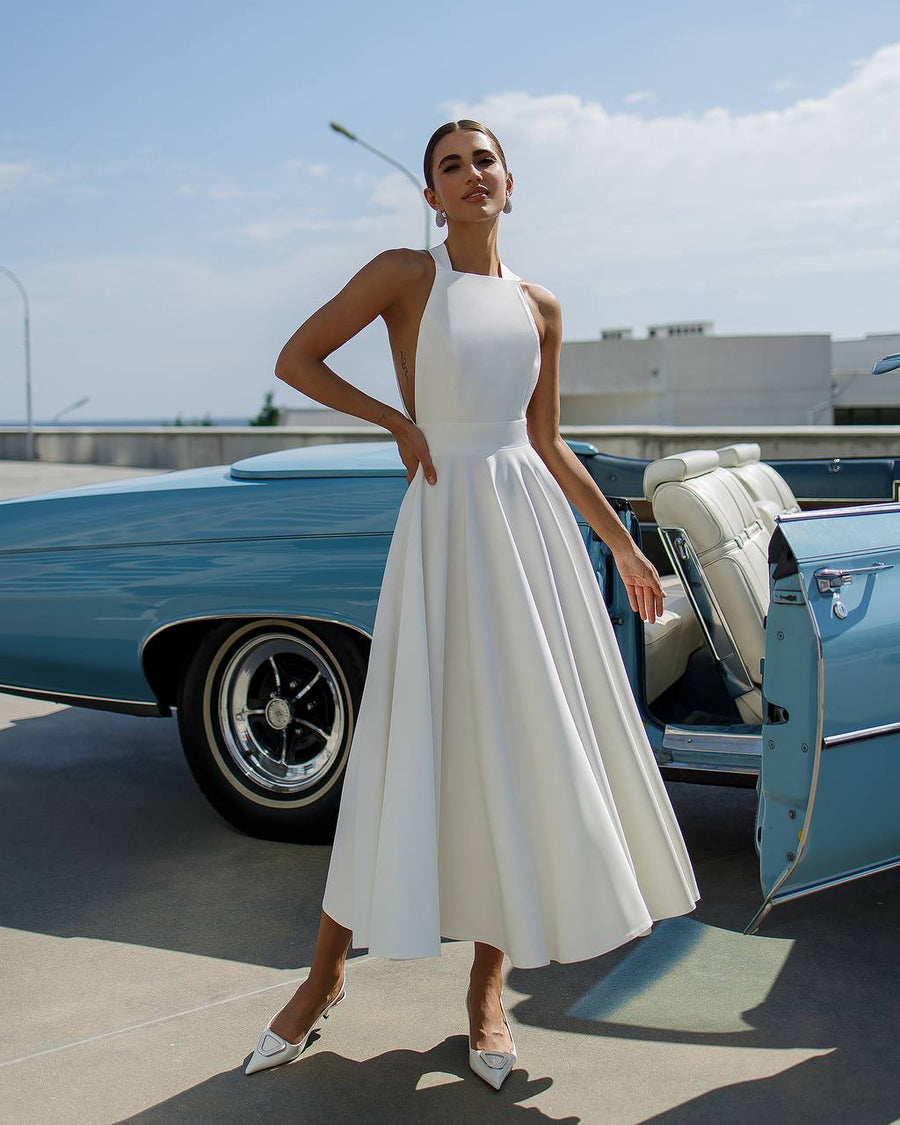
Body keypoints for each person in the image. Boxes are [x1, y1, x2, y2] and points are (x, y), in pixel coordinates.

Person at [245, 119, 700, 1087]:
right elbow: (298, 359)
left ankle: (487, 996)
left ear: (508, 182)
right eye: (449, 166)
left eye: (483, 160)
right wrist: (398, 423)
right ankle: (322, 978)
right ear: (430, 194)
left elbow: (548, 442)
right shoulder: (406, 276)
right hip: (445, 527)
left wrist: (624, 546)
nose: (469, 176)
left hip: (529, 535)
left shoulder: (540, 304)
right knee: (408, 747)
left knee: (521, 749)